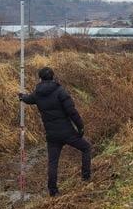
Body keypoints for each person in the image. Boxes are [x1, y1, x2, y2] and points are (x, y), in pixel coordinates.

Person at [18, 67, 91, 197]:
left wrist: (22, 97)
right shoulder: (60, 91)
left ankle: (53, 190)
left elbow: (28, 99)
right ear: (53, 77)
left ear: (40, 78)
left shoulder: (37, 94)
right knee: (86, 148)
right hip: (67, 132)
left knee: (53, 162)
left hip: (52, 135)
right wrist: (80, 127)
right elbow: (72, 111)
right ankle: (86, 178)